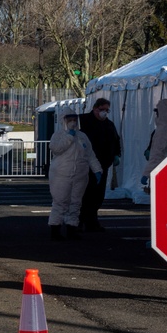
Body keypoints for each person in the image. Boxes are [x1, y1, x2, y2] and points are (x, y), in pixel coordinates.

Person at [48, 112, 102, 240]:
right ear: (63, 120)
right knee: (60, 202)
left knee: (76, 202)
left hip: (80, 175)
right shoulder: (58, 135)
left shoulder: (82, 136)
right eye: (69, 119)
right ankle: (55, 230)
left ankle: (72, 228)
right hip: (61, 174)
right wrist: (69, 137)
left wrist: (97, 170)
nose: (73, 122)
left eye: (74, 119)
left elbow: (90, 155)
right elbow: (56, 149)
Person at [79, 97, 121, 232]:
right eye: (102, 109)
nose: (104, 112)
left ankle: (92, 221)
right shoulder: (84, 121)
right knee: (85, 194)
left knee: (98, 195)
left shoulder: (109, 125)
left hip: (103, 165)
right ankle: (79, 220)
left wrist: (116, 154)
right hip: (86, 164)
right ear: (95, 108)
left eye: (107, 110)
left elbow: (116, 140)